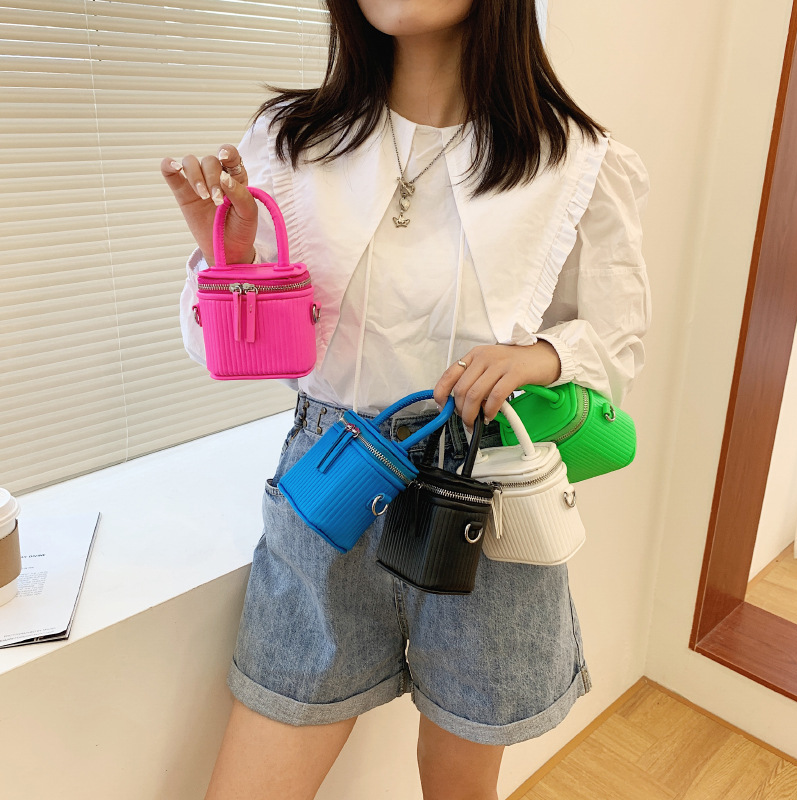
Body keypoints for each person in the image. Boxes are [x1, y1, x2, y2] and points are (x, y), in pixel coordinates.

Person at [161, 0, 650, 796]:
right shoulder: (291, 142)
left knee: (459, 787)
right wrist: (234, 267)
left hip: (488, 497)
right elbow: (218, 350)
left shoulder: (575, 160)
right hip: (333, 483)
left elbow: (617, 346)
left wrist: (540, 356)